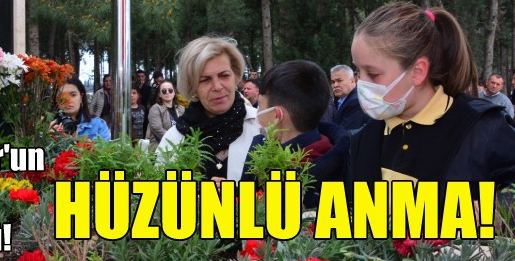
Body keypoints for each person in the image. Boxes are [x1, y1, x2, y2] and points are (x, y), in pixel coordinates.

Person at [348, 2, 515, 207]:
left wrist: (495, 210)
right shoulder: (366, 136)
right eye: (358, 71)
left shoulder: (483, 129)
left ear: (418, 72)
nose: (361, 83)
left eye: (373, 73)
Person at [240, 60, 349, 208]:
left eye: (260, 106)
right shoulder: (260, 148)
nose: (257, 112)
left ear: (276, 116)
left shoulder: (338, 169)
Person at [157, 37, 260, 183]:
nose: (217, 87)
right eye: (204, 80)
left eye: (224, 75)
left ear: (236, 76)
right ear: (192, 86)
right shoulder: (173, 139)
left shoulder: (262, 127)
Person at [146, 80, 185, 152]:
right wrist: (176, 140)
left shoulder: (181, 109)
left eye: (170, 90)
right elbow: (157, 129)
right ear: (160, 94)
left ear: (174, 93)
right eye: (164, 91)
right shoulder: (155, 109)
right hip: (160, 150)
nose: (167, 92)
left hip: (179, 149)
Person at [330, 64, 370, 132]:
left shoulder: (356, 102)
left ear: (352, 81)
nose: (335, 85)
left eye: (339, 80)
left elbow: (345, 133)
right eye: (333, 82)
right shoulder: (338, 99)